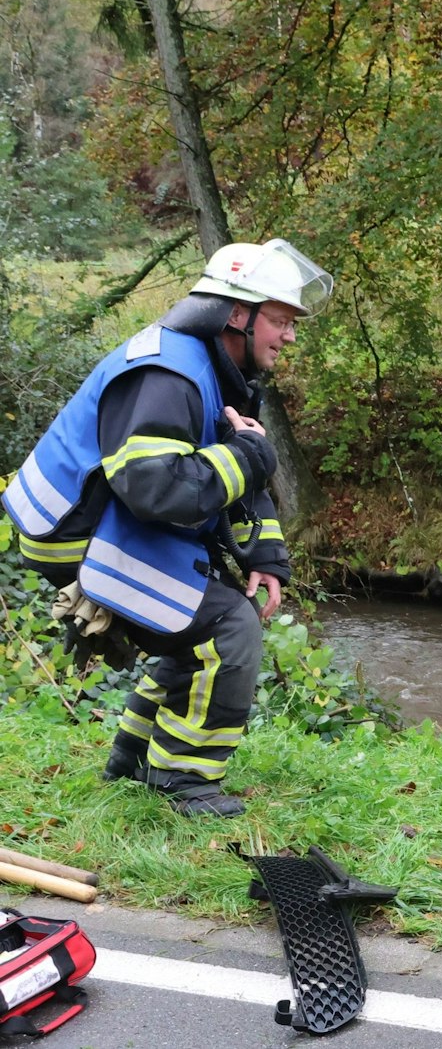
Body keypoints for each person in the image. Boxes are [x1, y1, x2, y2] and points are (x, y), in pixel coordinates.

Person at [2, 239, 331, 817]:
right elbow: (156, 489)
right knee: (229, 630)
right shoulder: (169, 373)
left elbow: (230, 475)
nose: (289, 335)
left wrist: (265, 559)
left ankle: (132, 760)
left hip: (113, 520)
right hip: (78, 537)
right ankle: (183, 780)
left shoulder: (209, 364)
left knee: (198, 627)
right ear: (237, 313)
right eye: (280, 320)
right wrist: (253, 456)